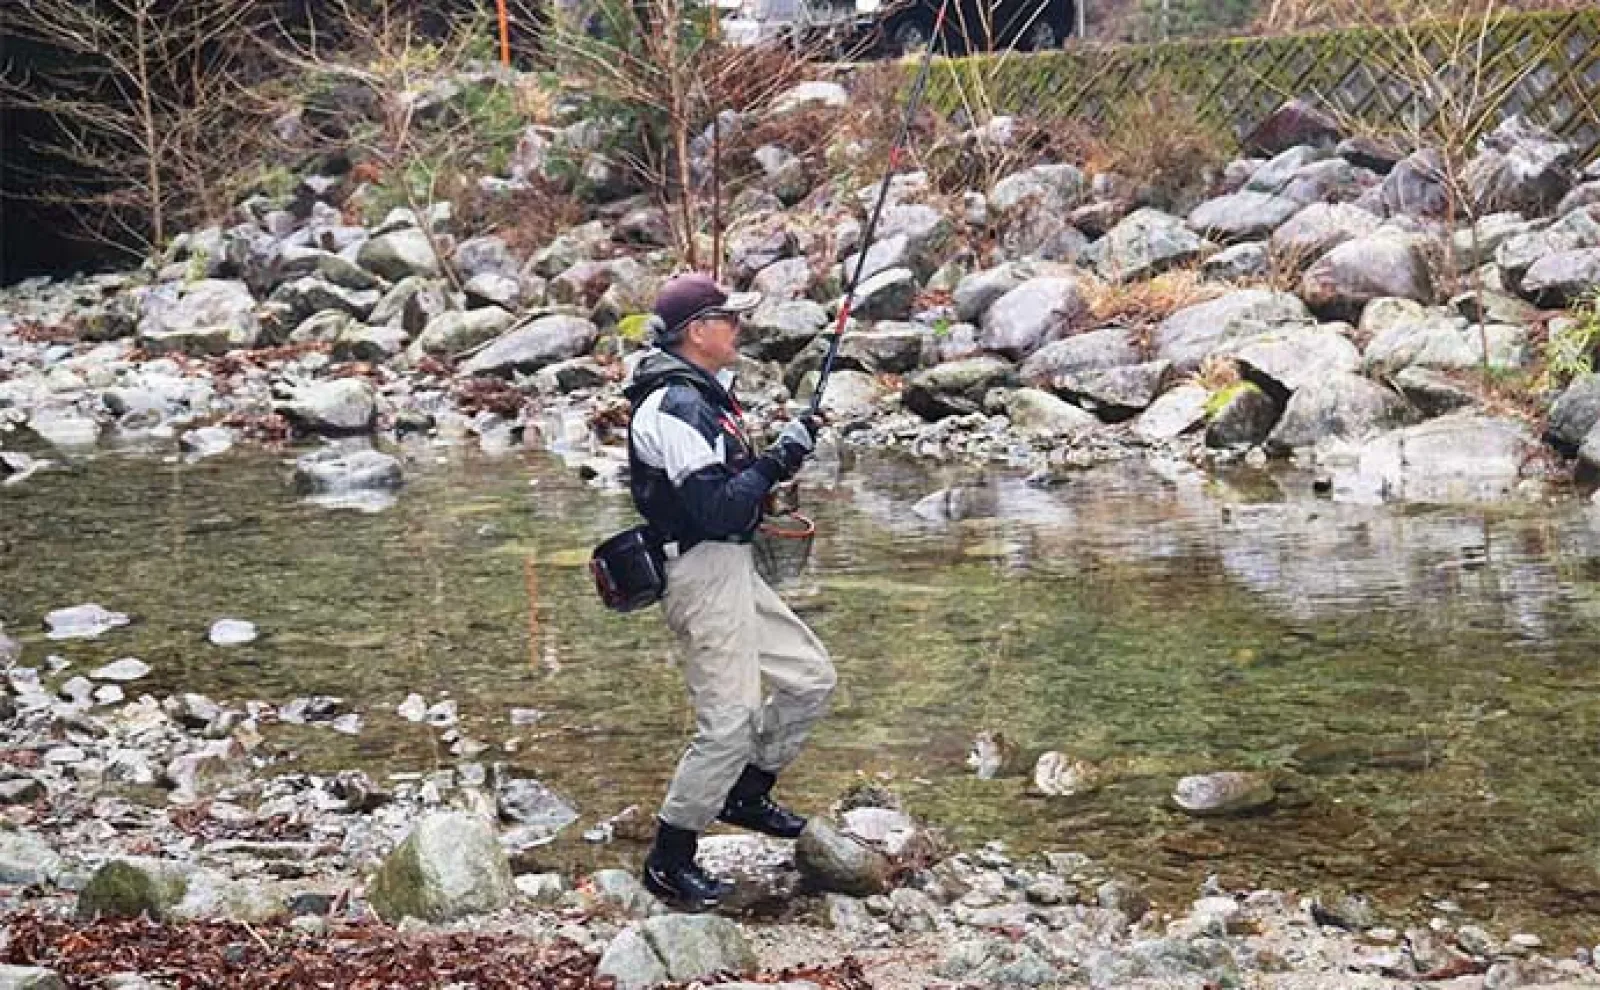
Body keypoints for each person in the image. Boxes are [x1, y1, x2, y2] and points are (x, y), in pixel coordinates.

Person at [623, 272, 837, 911]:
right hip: (698, 572)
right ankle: (669, 857)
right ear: (698, 332)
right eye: (730, 319)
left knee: (810, 679)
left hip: (732, 566)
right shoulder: (673, 407)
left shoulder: (704, 395)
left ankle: (744, 794)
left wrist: (779, 458)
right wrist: (778, 459)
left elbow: (731, 493)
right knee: (728, 723)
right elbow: (716, 510)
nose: (739, 329)